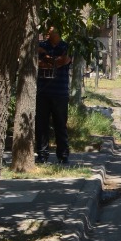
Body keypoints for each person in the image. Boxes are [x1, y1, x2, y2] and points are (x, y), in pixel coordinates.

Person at [35, 23, 73, 164]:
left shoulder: (66, 46)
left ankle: (63, 155)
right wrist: (51, 60)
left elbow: (63, 61)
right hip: (43, 91)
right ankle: (42, 154)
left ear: (59, 33)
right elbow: (38, 63)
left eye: (52, 31)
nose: (49, 34)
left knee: (60, 125)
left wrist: (48, 59)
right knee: (41, 125)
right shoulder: (42, 45)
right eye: (48, 32)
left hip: (60, 92)